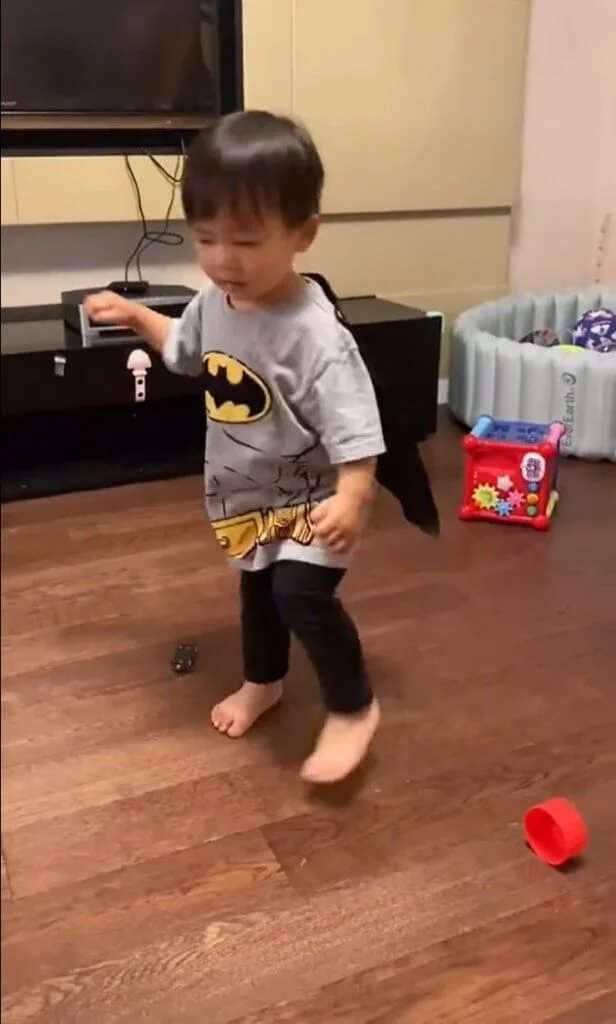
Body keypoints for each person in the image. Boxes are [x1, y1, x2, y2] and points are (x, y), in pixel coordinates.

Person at [84, 110, 385, 784]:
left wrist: (353, 495)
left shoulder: (315, 336)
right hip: (246, 495)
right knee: (258, 592)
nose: (223, 259)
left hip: (314, 500)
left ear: (303, 234)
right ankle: (263, 681)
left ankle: (353, 706)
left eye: (246, 241)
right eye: (206, 238)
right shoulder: (214, 302)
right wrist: (136, 315)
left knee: (301, 593)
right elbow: (185, 349)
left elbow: (356, 427)